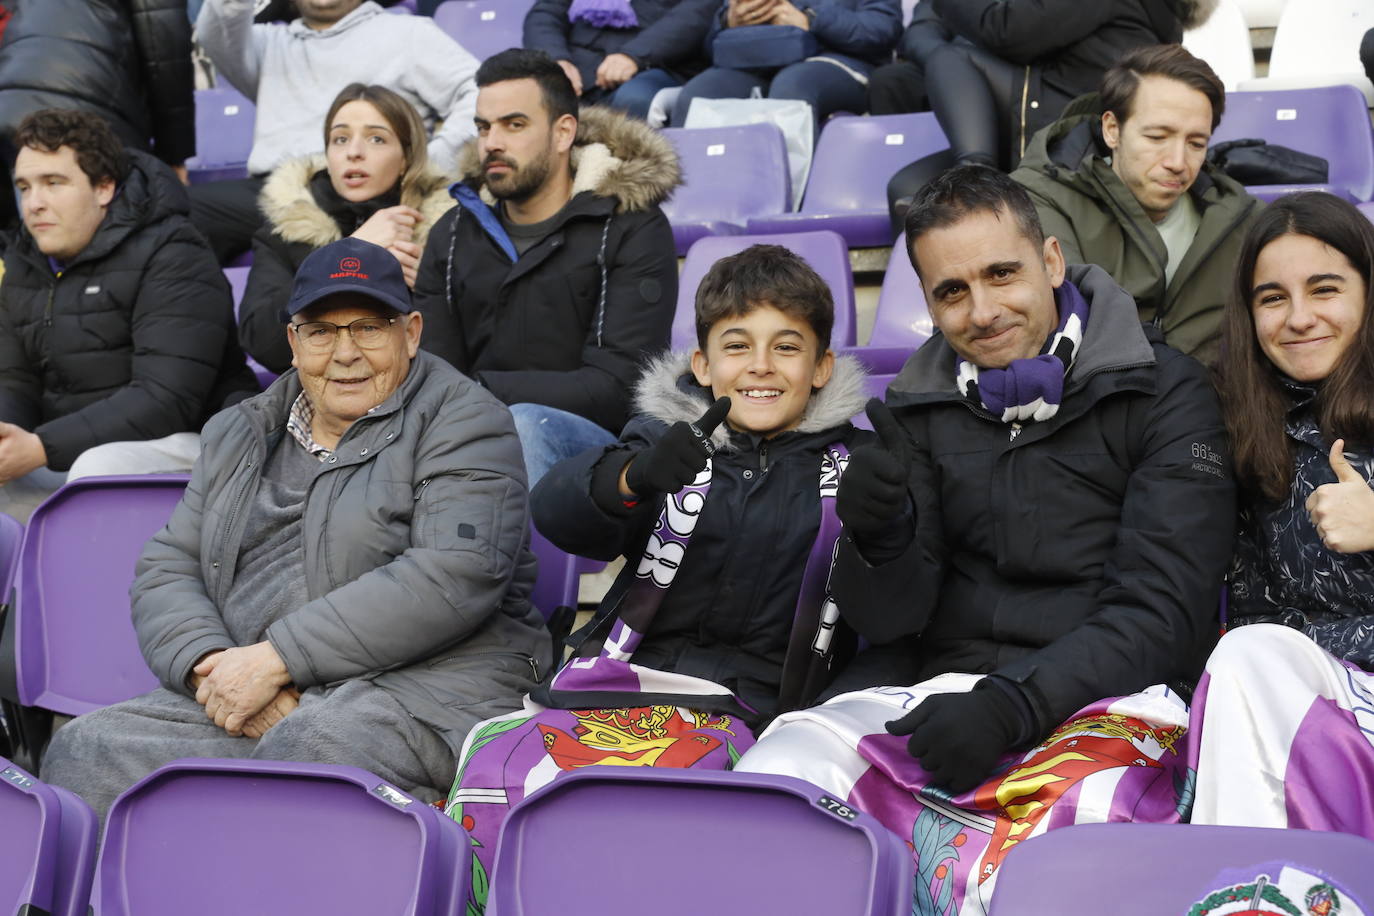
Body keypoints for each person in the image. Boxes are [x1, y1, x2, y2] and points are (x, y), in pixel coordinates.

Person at [734, 165, 1235, 907]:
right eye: (952, 292)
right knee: (768, 795)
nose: (983, 309)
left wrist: (1013, 706)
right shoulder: (915, 404)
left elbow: (1166, 611)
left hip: (1115, 698)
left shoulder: (1164, 387)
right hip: (943, 690)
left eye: (1003, 273)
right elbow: (892, 620)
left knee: (1055, 858)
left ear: (1052, 261)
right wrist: (879, 538)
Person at [40, 236, 553, 817]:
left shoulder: (465, 419)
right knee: (86, 750)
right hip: (257, 688)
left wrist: (276, 659)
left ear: (410, 332)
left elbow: (455, 574)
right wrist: (215, 669)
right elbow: (169, 564)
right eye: (321, 331)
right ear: (293, 342)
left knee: (312, 748)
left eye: (368, 327)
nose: (345, 352)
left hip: (428, 689)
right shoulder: (239, 429)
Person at [444, 243, 872, 913]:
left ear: (821, 368)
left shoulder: (857, 465)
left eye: (786, 348)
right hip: (618, 687)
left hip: (749, 709)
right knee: (497, 769)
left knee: (657, 807)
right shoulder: (665, 440)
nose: (759, 366)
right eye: (737, 346)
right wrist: (630, 479)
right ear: (703, 365)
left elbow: (887, 602)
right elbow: (561, 512)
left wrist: (890, 522)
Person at [1188, 192, 1374, 838]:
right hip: (1303, 699)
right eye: (1272, 298)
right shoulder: (1233, 422)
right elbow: (1256, 621)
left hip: (1324, 694)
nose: (1298, 318)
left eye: (1325, 290)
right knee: (1245, 657)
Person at [413, 49, 680, 484]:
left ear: (563, 133)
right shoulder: (454, 230)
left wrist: (481, 391)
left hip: (599, 451)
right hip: (467, 437)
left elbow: (619, 387)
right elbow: (431, 371)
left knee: (524, 426)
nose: (492, 143)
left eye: (514, 125)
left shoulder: (630, 225)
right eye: (484, 127)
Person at [0, 109, 256, 523]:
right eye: (25, 187)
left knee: (96, 473)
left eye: (53, 183)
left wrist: (42, 447)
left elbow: (166, 398)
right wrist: (6, 436)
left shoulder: (174, 252)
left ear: (104, 188)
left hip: (192, 444)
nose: (35, 203)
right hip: (67, 447)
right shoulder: (24, 263)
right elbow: (14, 379)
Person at [1012, 44, 1260, 367]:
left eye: (1196, 143)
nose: (1177, 162)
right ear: (1112, 129)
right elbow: (1070, 325)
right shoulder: (1040, 199)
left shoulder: (1242, 219)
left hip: (1211, 405)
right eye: (1157, 137)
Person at [191, 0, 479, 264]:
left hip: (370, 188)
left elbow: (478, 93)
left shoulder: (408, 33)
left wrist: (428, 161)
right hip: (275, 192)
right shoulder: (266, 43)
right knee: (179, 212)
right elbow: (216, 27)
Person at [878, 0, 1205, 223]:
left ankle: (976, 179)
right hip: (1041, 118)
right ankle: (931, 301)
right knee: (907, 189)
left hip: (1078, 139)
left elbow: (1009, 31)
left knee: (951, 58)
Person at [238, 83, 455, 374]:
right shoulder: (287, 230)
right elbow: (263, 343)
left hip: (424, 405)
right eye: (340, 139)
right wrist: (351, 253)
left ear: (406, 158)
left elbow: (473, 350)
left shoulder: (448, 230)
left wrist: (433, 292)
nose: (354, 152)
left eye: (376, 139)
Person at [0, 0, 195, 229]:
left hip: (11, 102)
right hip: (91, 106)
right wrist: (173, 155)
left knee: (34, 241)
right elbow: (166, 50)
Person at [670, 0, 902, 132]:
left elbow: (882, 29)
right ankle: (689, 206)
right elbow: (712, 50)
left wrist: (811, 19)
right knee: (699, 94)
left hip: (839, 61)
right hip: (757, 63)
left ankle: (789, 205)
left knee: (793, 87)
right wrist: (728, 22)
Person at [523, 0, 720, 122]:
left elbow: (695, 15)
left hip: (655, 66)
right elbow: (545, 14)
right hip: (577, 70)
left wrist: (634, 55)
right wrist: (557, 61)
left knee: (634, 98)